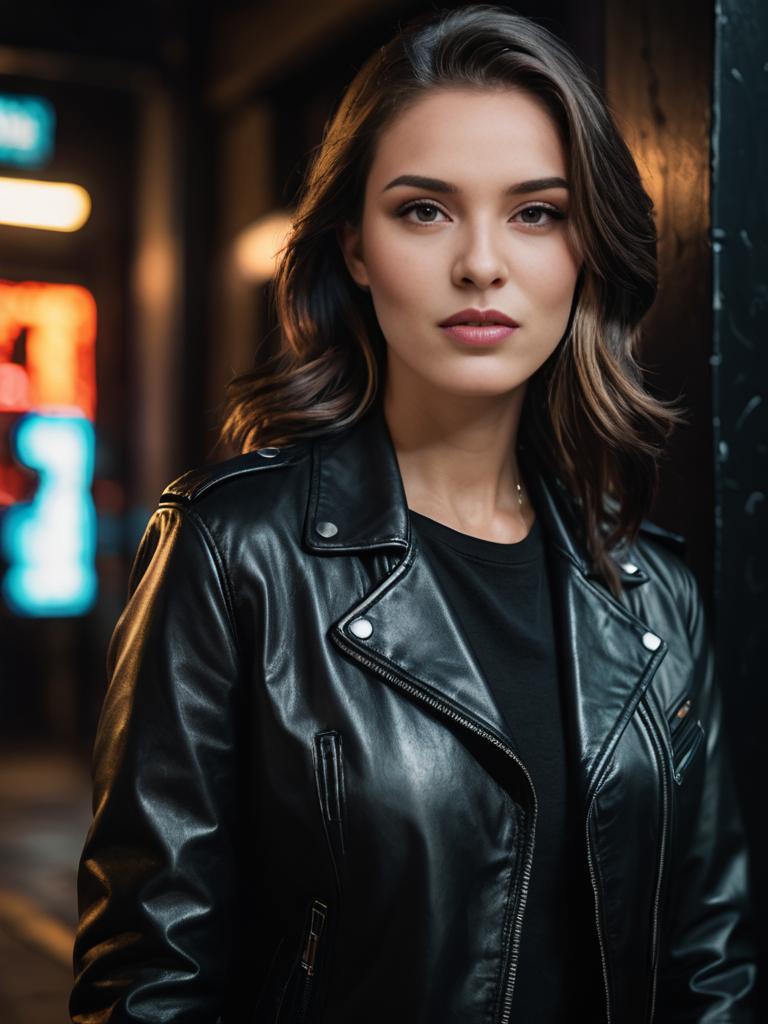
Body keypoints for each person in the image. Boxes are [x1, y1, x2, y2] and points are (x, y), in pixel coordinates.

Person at [69, 5, 757, 1022]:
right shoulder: (236, 550)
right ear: (353, 246)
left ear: (586, 251)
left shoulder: (653, 587)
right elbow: (148, 980)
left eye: (536, 212)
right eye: (425, 209)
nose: (482, 263)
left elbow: (712, 964)